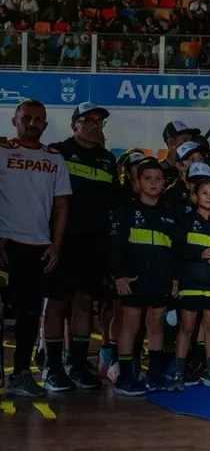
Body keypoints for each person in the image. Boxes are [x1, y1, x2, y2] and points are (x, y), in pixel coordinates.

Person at [0, 100, 71, 398]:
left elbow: (61, 205)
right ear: (15, 120)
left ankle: (20, 375)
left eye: (38, 119)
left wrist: (55, 245)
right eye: (26, 118)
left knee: (29, 316)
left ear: (45, 124)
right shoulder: (2, 152)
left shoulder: (54, 159)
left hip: (38, 248)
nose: (32, 123)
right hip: (6, 245)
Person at [45, 102, 118, 391]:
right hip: (62, 243)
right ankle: (52, 367)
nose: (94, 125)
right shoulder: (57, 152)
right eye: (87, 120)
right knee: (57, 302)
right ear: (74, 124)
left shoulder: (107, 160)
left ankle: (76, 365)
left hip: (94, 245)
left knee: (85, 303)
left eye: (99, 121)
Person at [110, 158, 182, 396]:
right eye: (148, 179)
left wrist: (174, 277)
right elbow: (116, 245)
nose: (153, 183)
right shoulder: (126, 210)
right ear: (137, 182)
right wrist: (119, 275)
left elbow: (174, 250)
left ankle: (154, 375)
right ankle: (126, 378)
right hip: (133, 279)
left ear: (164, 183)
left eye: (158, 179)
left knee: (156, 325)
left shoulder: (170, 214)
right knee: (130, 326)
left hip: (160, 278)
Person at [172, 177, 210, 390]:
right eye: (204, 193)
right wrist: (199, 253)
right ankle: (179, 371)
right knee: (187, 326)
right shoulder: (184, 220)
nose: (209, 197)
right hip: (191, 281)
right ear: (195, 196)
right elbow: (177, 248)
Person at [160, 121, 201, 187]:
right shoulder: (158, 170)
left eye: (190, 140)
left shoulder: (194, 168)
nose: (189, 144)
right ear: (171, 142)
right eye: (185, 140)